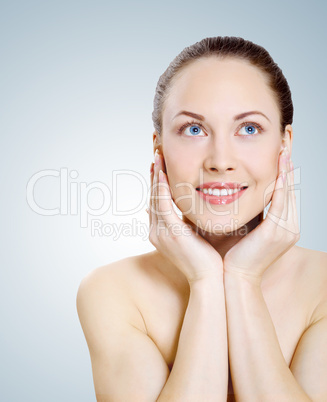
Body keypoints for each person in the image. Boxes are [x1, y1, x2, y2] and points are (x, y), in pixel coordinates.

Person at [76, 36, 327, 401]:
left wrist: (242, 278)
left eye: (249, 128)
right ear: (158, 148)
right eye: (194, 130)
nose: (220, 160)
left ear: (284, 145)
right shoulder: (111, 290)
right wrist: (206, 281)